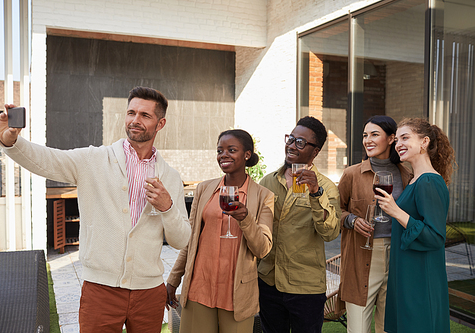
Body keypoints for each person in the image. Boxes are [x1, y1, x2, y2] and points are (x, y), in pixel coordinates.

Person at [0, 86, 191, 333]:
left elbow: (181, 240)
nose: (135, 120)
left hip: (149, 292)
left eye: (145, 115)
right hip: (100, 289)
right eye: (131, 112)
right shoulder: (93, 159)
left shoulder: (171, 177)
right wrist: (11, 141)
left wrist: (168, 208)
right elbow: (47, 160)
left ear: (160, 123)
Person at [165, 129, 274, 333]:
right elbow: (190, 240)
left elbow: (263, 249)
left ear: (247, 155)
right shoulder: (204, 189)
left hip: (237, 293)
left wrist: (245, 219)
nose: (223, 155)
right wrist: (174, 278)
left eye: (231, 150)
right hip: (200, 287)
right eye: (219, 150)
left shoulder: (264, 196)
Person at [257, 116, 341, 333]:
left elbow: (330, 232)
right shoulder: (268, 182)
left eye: (300, 142)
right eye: (291, 139)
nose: (292, 145)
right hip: (268, 280)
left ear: (315, 151)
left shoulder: (326, 187)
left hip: (305, 287)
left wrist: (315, 193)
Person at [375, 118, 455, 333]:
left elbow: (435, 236)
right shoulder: (414, 179)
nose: (398, 143)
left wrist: (396, 212)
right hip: (407, 274)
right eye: (397, 139)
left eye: (405, 137)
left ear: (424, 142)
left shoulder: (429, 181)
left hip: (421, 278)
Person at [338, 115, 412, 333]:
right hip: (362, 256)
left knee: (387, 327)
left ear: (391, 139)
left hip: (398, 255)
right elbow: (334, 211)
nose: (367, 140)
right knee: (358, 329)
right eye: (365, 135)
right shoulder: (352, 174)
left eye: (374, 134)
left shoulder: (406, 175)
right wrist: (351, 220)